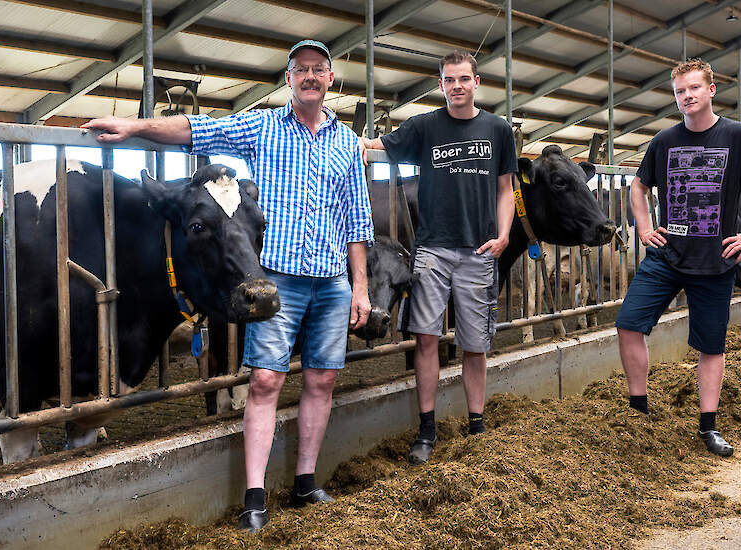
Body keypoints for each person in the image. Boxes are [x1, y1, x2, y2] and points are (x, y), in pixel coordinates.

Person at [82, 39, 373, 533]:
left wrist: (360, 286)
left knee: (322, 379)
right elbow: (197, 128)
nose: (309, 76)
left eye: (318, 69)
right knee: (264, 381)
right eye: (300, 69)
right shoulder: (262, 126)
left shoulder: (347, 142)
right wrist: (134, 127)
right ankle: (254, 498)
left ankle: (305, 481)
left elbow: (358, 218)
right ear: (288, 79)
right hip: (275, 277)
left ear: (330, 80)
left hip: (331, 278)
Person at [614, 58, 741, 457]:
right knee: (627, 324)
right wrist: (643, 229)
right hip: (666, 254)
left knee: (712, 346)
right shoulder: (664, 141)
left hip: (715, 260)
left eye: (693, 88)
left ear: (711, 90)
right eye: (679, 91)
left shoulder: (738, 135)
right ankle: (638, 410)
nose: (686, 96)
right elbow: (637, 189)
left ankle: (708, 427)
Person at [361, 49, 516, 464]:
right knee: (426, 339)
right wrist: (339, 141)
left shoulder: (498, 130)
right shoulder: (425, 127)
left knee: (474, 344)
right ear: (441, 83)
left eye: (463, 79)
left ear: (477, 82)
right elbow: (375, 146)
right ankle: (426, 431)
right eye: (449, 80)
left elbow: (506, 189)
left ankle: (477, 426)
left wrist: (503, 235)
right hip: (431, 250)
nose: (456, 87)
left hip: (479, 250)